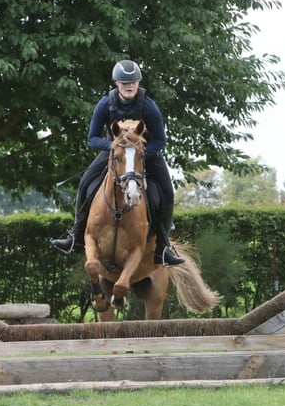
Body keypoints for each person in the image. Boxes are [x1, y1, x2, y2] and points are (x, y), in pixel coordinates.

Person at [50, 59, 185, 266]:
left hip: (145, 154)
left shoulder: (149, 107)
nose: (128, 86)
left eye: (132, 82)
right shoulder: (105, 104)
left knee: (167, 191)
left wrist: (139, 153)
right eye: (124, 82)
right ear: (116, 84)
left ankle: (163, 247)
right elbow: (92, 138)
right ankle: (75, 235)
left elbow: (160, 140)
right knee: (86, 183)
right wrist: (116, 149)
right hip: (115, 153)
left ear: (138, 83)